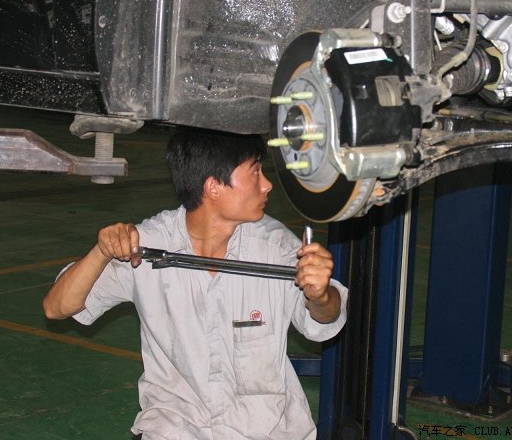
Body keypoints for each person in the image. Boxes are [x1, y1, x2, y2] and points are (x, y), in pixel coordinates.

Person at [43, 127, 348, 440]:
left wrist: (320, 296)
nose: (267, 184)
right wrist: (101, 251)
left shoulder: (275, 246)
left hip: (265, 431)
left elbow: (325, 319)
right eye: (255, 172)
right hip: (176, 429)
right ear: (213, 187)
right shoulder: (147, 246)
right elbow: (57, 307)